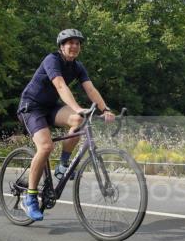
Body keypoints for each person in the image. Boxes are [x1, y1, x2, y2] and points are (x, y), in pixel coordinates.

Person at [16, 29, 114, 221]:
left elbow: (90, 88)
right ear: (61, 46)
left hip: (51, 108)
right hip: (31, 107)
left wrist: (105, 109)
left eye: (77, 43)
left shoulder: (77, 66)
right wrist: (77, 107)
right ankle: (30, 197)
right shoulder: (51, 60)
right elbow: (61, 86)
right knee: (45, 147)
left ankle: (62, 165)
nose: (74, 46)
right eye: (70, 42)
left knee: (79, 120)